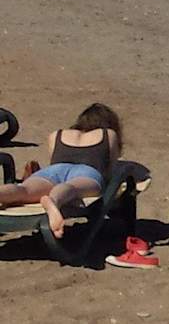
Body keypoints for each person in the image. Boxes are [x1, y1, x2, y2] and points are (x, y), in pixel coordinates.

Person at [0, 102, 121, 241]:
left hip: (54, 171)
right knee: (71, 187)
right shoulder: (108, 134)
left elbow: (54, 161)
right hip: (87, 171)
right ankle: (53, 201)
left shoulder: (57, 134)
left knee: (24, 189)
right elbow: (110, 169)